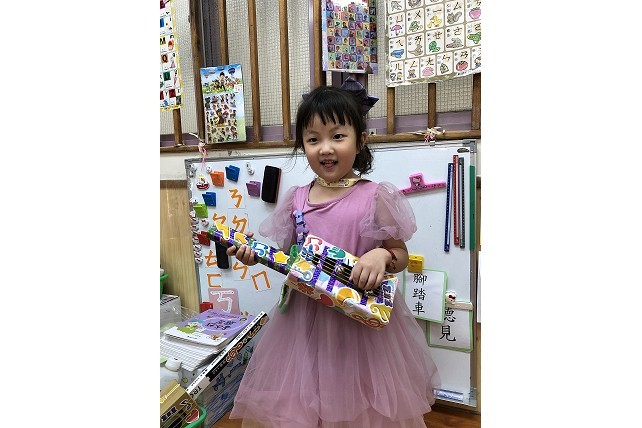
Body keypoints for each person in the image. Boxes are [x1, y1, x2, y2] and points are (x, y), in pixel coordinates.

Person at [227, 83, 440, 428]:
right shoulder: (297, 198)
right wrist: (255, 255)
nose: (325, 148)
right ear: (303, 145)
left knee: (359, 406)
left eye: (338, 136)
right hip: (303, 322)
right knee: (304, 403)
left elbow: (400, 254)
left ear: (360, 140)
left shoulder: (375, 196)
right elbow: (288, 258)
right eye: (313, 139)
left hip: (359, 327)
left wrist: (381, 255)